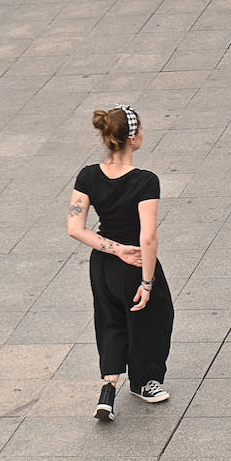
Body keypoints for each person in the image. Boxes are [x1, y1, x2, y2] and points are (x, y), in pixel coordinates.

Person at [69, 106, 175, 421]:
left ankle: (108, 388)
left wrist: (113, 249)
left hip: (101, 264)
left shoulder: (88, 175)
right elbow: (148, 238)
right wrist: (146, 280)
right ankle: (144, 382)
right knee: (152, 318)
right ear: (132, 138)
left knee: (111, 320)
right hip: (133, 265)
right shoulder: (144, 181)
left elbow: (75, 228)